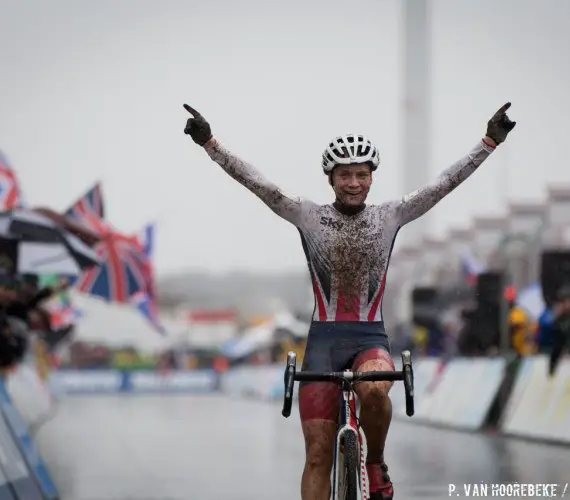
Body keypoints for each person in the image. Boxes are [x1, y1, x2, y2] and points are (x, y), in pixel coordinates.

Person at [183, 102, 516, 500]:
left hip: (368, 337)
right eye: (345, 175)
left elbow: (442, 185)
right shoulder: (307, 215)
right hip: (322, 343)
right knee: (318, 456)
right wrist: (210, 143)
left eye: (361, 175)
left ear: (372, 178)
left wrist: (489, 142)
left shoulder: (390, 215)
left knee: (375, 389)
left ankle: (374, 462)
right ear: (331, 179)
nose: (354, 182)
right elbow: (259, 184)